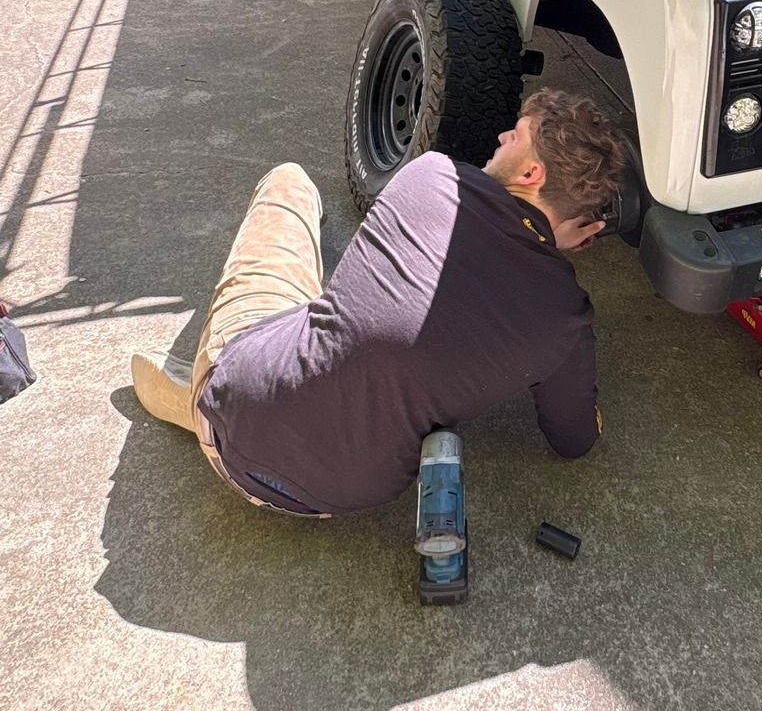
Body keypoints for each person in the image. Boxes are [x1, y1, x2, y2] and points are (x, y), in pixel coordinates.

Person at [128, 89, 628, 518]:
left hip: (242, 410)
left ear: (531, 173)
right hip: (339, 498)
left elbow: (470, 219)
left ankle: (201, 398)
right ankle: (208, 400)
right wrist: (550, 242)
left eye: (515, 137)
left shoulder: (429, 175)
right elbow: (574, 439)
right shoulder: (566, 318)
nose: (501, 139)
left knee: (289, 184)